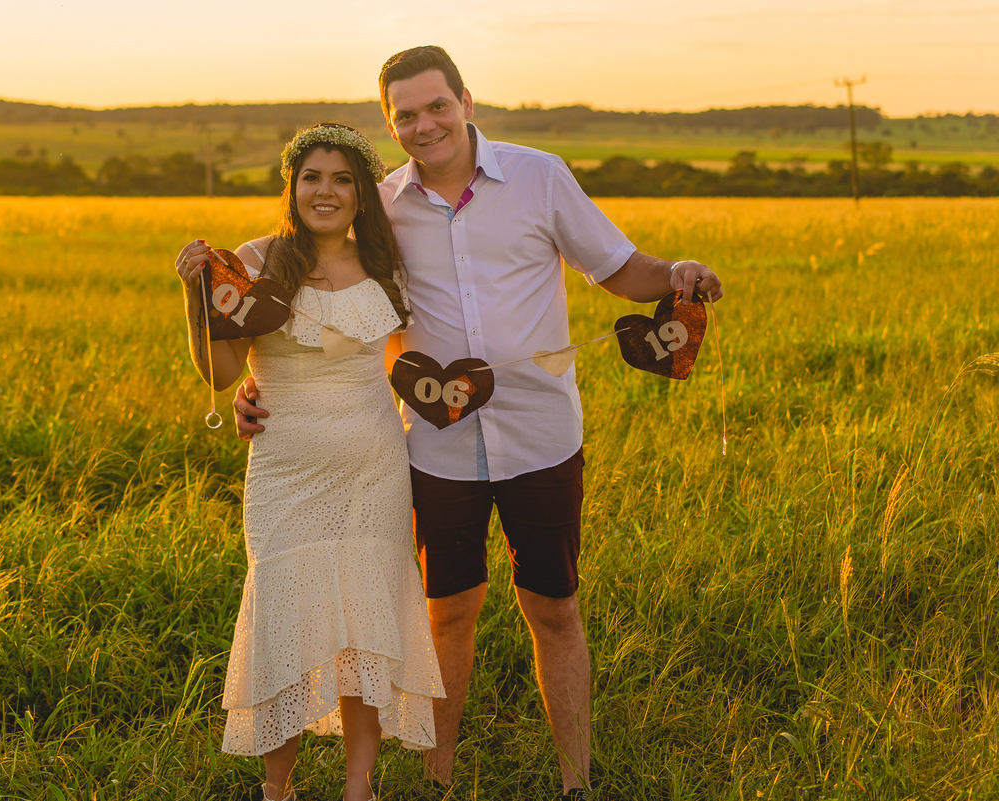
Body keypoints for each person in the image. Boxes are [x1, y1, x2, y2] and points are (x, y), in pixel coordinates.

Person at [236, 47, 724, 799]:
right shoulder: (382, 204)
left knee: (553, 607)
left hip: (541, 434)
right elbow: (313, 286)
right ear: (390, 123)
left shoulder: (539, 175)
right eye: (405, 115)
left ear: (466, 100)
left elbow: (619, 268)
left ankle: (575, 783)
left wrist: (677, 273)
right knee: (448, 608)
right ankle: (438, 779)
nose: (424, 124)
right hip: (436, 442)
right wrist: (252, 380)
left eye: (436, 106)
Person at [176, 122, 444, 801]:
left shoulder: (385, 266)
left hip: (374, 468)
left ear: (361, 193)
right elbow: (222, 367)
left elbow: (409, 355)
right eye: (312, 177)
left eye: (342, 178)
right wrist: (193, 295)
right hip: (285, 471)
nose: (325, 191)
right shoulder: (257, 260)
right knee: (286, 620)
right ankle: (278, 788)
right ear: (291, 187)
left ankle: (360, 785)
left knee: (363, 626)